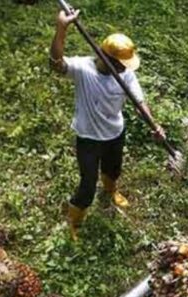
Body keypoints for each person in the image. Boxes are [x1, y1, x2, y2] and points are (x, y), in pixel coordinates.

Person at [49, 8, 167, 240]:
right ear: (105, 59)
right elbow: (55, 64)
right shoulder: (83, 69)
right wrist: (62, 28)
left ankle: (112, 191)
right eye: (122, 64)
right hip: (89, 138)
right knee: (87, 184)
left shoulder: (126, 75)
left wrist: (155, 126)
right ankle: (75, 220)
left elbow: (139, 103)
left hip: (115, 133)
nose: (126, 68)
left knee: (114, 169)